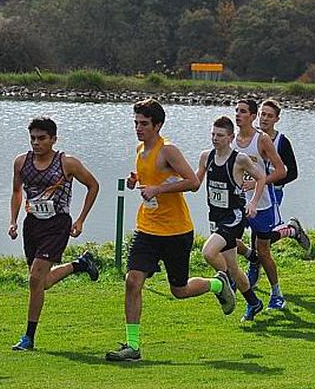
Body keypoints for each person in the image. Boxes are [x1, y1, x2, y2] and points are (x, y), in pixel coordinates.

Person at [106, 99, 235, 362]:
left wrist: (158, 189)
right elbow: (153, 180)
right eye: (136, 123)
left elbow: (193, 182)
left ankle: (217, 284)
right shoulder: (140, 150)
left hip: (176, 231)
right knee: (133, 281)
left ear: (158, 125)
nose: (138, 128)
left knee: (179, 290)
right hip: (147, 228)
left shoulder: (169, 150)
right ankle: (133, 346)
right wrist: (138, 181)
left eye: (144, 124)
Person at [7, 116, 100, 351]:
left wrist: (80, 219)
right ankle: (79, 264)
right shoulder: (21, 162)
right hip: (33, 225)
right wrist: (13, 221)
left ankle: (28, 337)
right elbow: (17, 192)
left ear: (53, 139)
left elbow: (93, 185)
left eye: (42, 138)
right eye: (32, 138)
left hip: (57, 225)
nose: (36, 143)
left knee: (35, 278)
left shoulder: (66, 163)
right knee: (42, 282)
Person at [197, 116, 268, 320]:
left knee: (209, 252)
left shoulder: (240, 159)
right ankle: (254, 303)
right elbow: (195, 182)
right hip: (216, 217)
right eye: (213, 134)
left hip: (234, 217)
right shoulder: (206, 156)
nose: (215, 138)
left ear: (230, 137)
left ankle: (225, 284)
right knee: (235, 268)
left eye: (220, 135)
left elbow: (261, 177)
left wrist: (253, 202)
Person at [230, 99, 288, 318]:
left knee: (264, 251)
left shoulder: (261, 140)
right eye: (236, 111)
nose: (238, 115)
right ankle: (248, 260)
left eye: (243, 112)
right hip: (237, 202)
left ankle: (276, 294)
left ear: (253, 116)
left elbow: (282, 170)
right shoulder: (231, 140)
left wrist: (257, 182)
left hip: (262, 204)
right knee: (228, 241)